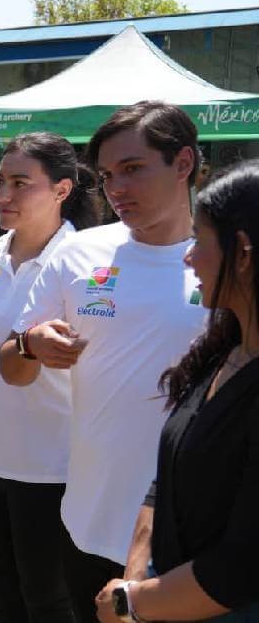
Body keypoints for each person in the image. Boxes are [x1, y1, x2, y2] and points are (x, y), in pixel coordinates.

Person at [0, 101, 208, 622]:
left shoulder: (224, 257)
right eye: (109, 175)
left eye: (134, 169)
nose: (117, 189)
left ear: (183, 164)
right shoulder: (79, 253)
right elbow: (10, 365)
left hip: (192, 527)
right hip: (88, 520)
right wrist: (30, 344)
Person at [95, 160, 259, 622]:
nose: (188, 257)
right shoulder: (224, 351)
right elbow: (164, 480)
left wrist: (130, 604)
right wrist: (134, 577)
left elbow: (238, 569)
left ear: (242, 253)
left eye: (199, 241)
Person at [0, 133, 103, 623]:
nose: (5, 196)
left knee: (49, 602)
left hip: (51, 467)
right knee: (3, 594)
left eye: (21, 183)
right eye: (1, 182)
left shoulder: (91, 263)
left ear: (62, 190)